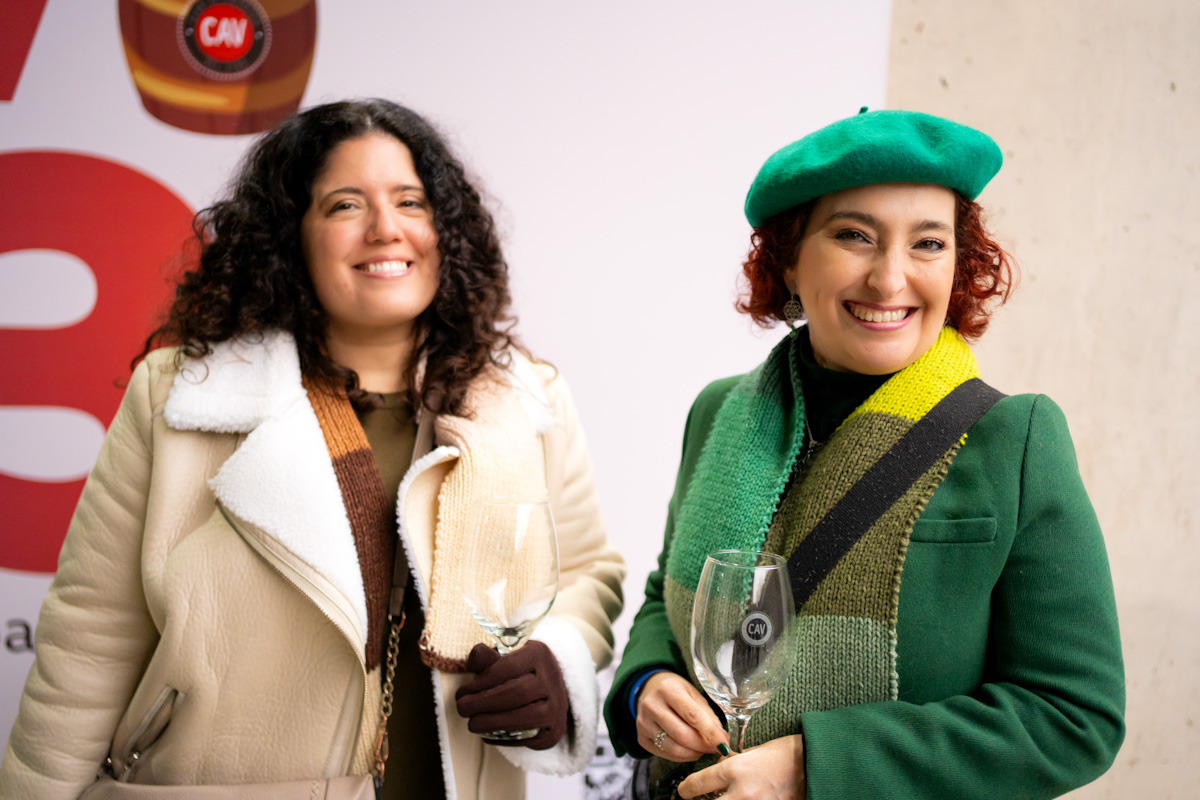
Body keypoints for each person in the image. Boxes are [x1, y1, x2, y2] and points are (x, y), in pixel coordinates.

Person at [0, 99, 624, 799]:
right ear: (289, 237)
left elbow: (585, 573)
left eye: (410, 202)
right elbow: (92, 633)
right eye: (345, 205)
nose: (385, 228)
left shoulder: (528, 400)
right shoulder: (179, 397)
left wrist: (557, 658)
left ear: (445, 229)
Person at [604, 108, 1124, 799]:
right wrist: (645, 682)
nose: (889, 279)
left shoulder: (1014, 438)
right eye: (854, 236)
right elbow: (665, 596)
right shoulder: (718, 411)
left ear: (959, 265)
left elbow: (1073, 717)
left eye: (928, 243)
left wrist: (816, 766)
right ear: (789, 257)